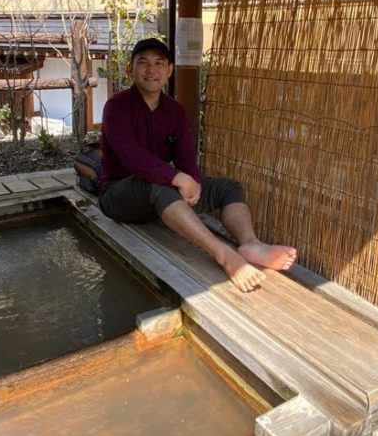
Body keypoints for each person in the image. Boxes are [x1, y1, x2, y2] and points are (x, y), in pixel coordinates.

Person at [98, 38, 296, 292]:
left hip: (160, 196)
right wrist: (176, 177)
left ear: (169, 70)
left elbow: (186, 158)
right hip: (118, 196)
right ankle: (224, 254)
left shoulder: (175, 111)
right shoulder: (116, 107)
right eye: (143, 63)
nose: (151, 70)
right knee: (159, 185)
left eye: (159, 63)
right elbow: (130, 155)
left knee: (227, 188)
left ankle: (250, 244)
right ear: (130, 70)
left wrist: (193, 183)